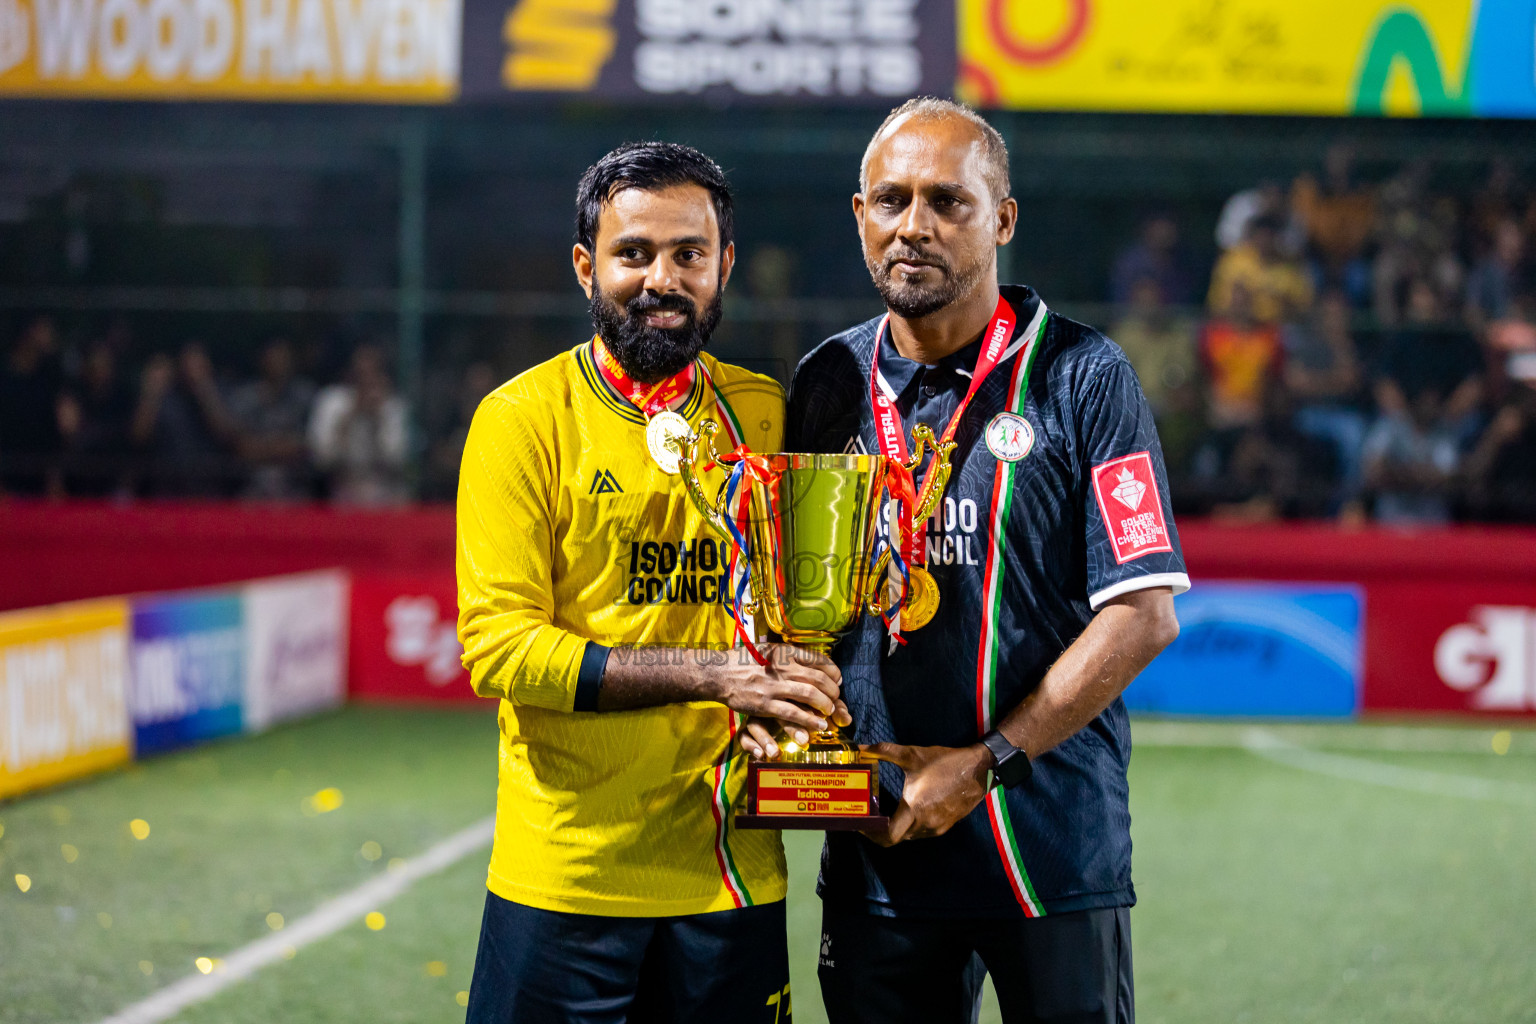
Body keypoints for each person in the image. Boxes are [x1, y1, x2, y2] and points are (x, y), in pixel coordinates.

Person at [780, 98, 1187, 1024]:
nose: (913, 225)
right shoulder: (827, 383)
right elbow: (802, 607)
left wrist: (985, 761)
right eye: (890, 200)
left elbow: (1143, 612)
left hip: (1046, 850)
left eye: (946, 202)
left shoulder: (1084, 376)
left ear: (1000, 219)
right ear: (859, 216)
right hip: (879, 849)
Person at [455, 142, 849, 1024]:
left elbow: (811, 611)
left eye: (689, 254)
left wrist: (806, 688)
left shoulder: (764, 414)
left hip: (731, 873)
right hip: (566, 879)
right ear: (587, 268)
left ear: (725, 266)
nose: (661, 278)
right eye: (634, 254)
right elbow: (500, 649)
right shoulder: (522, 422)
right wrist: (715, 676)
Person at [307, 344, 409, 505]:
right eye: (360, 375)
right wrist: (350, 417)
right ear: (350, 373)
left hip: (386, 494)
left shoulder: (393, 407)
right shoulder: (331, 401)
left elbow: (398, 460)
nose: (366, 381)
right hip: (340, 491)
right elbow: (321, 458)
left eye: (372, 374)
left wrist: (378, 421)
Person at [228, 337, 317, 501]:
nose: (278, 362)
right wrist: (281, 446)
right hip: (251, 489)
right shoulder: (245, 398)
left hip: (295, 490)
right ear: (262, 359)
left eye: (283, 357)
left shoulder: (305, 395)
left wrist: (262, 447)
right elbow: (241, 448)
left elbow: (307, 446)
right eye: (273, 356)